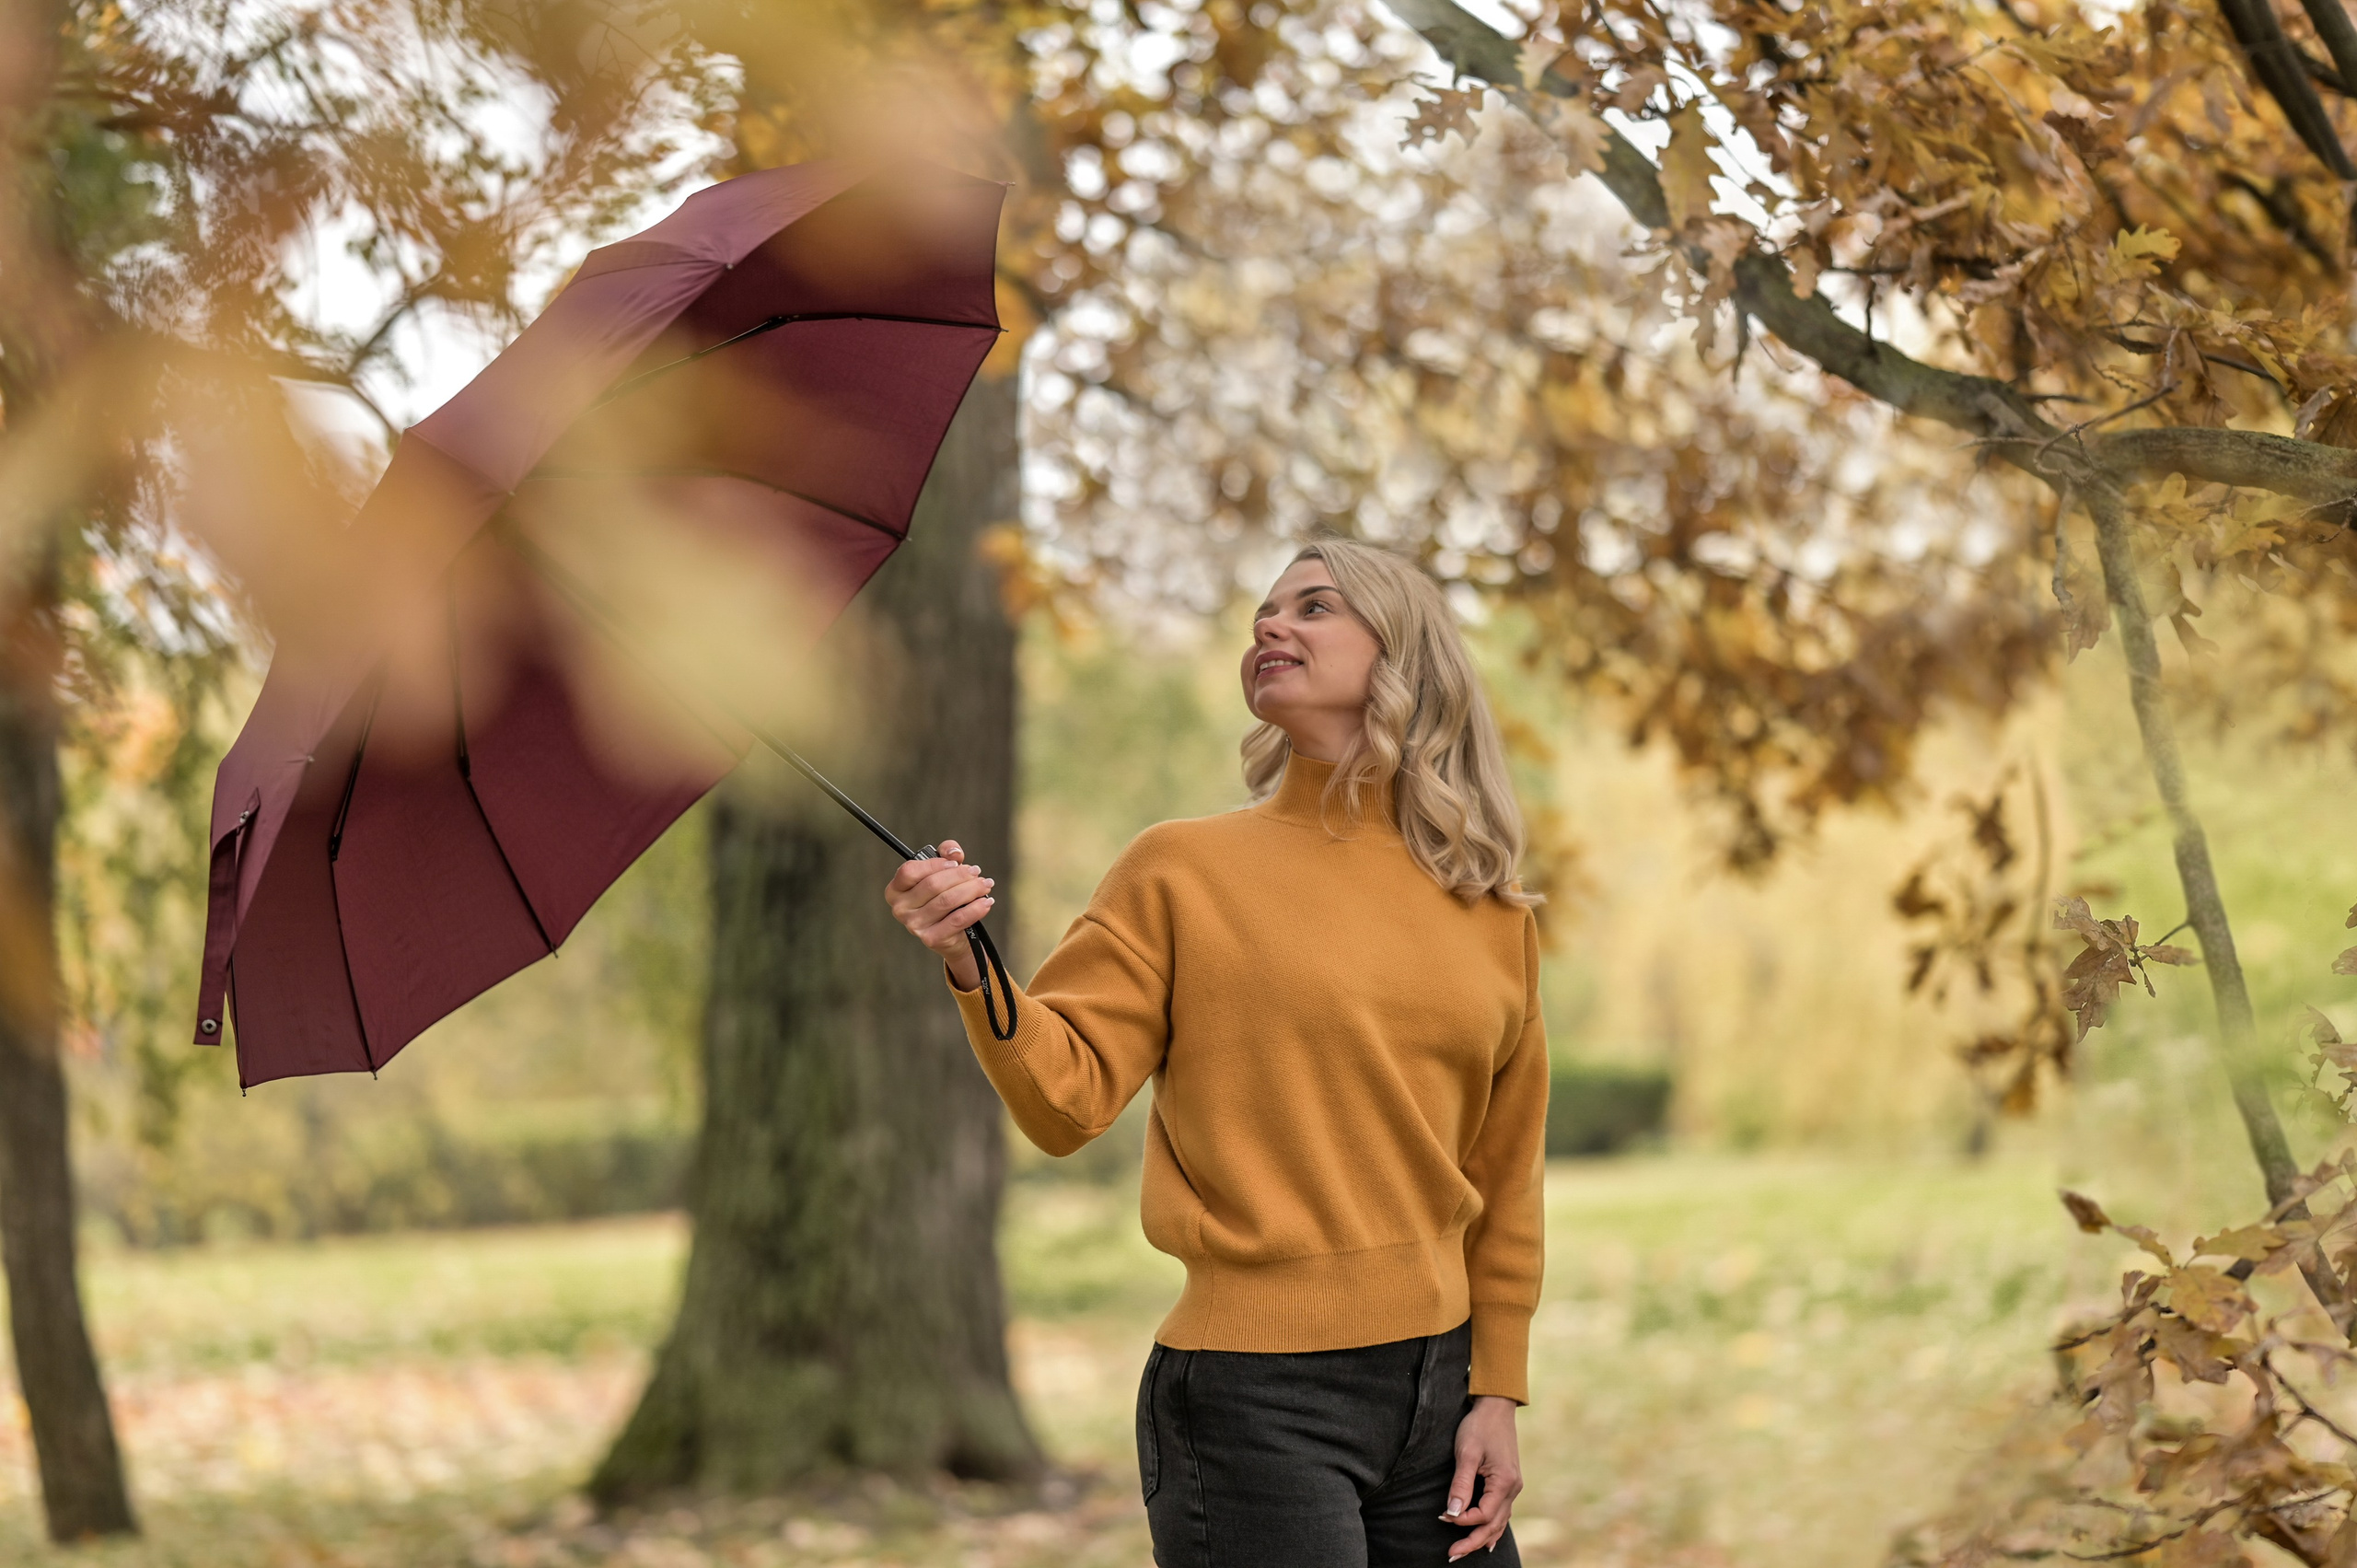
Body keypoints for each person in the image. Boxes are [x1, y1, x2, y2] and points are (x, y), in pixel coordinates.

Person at [884, 538, 1548, 1566]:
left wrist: (1495, 1386)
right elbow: (1064, 1102)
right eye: (1263, 611)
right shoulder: (1179, 871)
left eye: (1313, 605)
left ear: (1403, 653)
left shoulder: (1490, 910)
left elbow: (1505, 1174)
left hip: (1440, 1390)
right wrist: (972, 962)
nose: (1269, 625)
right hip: (1255, 1402)